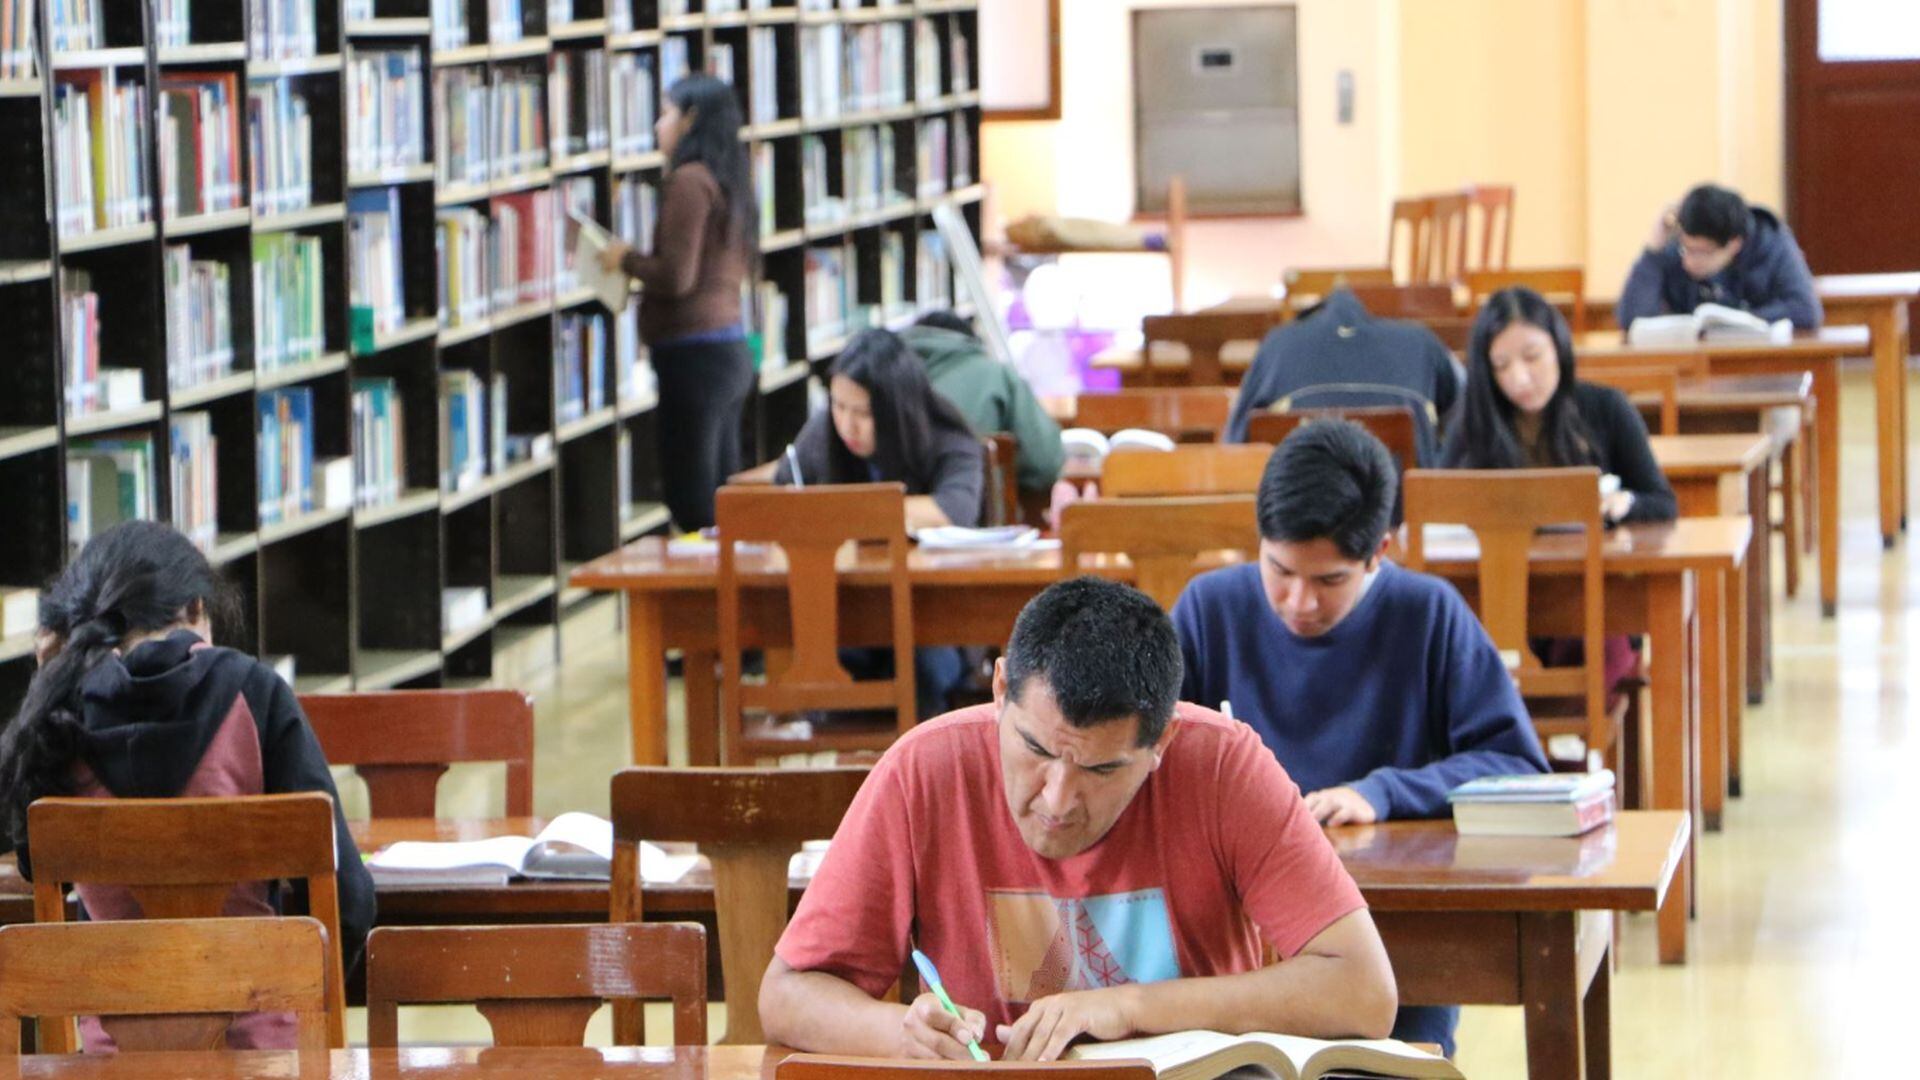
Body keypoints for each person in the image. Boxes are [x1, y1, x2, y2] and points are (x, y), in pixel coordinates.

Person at [760, 576, 1399, 1060]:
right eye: (1035, 750)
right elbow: (787, 994)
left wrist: (1128, 1006)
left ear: (1162, 743)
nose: (1057, 799)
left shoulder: (1224, 767)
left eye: (1100, 771)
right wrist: (898, 1034)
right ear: (1001, 689)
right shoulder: (925, 771)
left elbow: (1365, 990)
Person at [1171, 419, 1549, 1056]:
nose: (1299, 602)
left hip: (1394, 928)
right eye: (1280, 570)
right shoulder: (1209, 608)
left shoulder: (1429, 613)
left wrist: (1386, 791)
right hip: (1238, 935)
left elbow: (1517, 763)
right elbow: (1151, 756)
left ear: (1380, 551)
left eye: (1330, 580)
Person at [0, 521, 376, 1052]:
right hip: (264, 1057)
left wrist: (47, 679)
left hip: (113, 1061)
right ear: (197, 609)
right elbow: (350, 901)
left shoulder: (60, 714)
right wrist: (293, 993)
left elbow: (39, 869)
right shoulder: (257, 692)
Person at [598, 74, 757, 530]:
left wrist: (623, 259)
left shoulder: (689, 181)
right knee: (720, 498)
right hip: (727, 352)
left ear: (690, 121)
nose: (656, 125)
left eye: (666, 112)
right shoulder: (730, 180)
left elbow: (675, 277)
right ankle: (728, 592)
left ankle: (708, 598)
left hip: (694, 361)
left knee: (691, 503)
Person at [1442, 286, 1678, 526]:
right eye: (1501, 366)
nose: (1520, 379)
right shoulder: (1473, 417)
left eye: (1532, 357)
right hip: (1501, 561)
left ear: (1558, 347)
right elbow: (1437, 504)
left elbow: (1662, 502)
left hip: (1591, 559)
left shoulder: (1608, 406)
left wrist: (1626, 502)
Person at [775, 328, 986, 531]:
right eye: (838, 405)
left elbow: (955, 511)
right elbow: (781, 490)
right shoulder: (826, 427)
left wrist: (837, 512)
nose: (847, 426)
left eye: (864, 413)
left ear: (899, 410)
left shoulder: (949, 438)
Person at [1224, 286, 1460, 461]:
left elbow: (1234, 445)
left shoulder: (1277, 345)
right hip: (1402, 517)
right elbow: (1465, 423)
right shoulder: (1420, 342)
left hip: (1298, 519)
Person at [902, 310, 1066, 497]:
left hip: (893, 514)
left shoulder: (883, 376)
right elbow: (1044, 463)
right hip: (983, 512)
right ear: (970, 339)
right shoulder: (996, 374)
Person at [1617, 182, 1822, 330]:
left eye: (1702, 252)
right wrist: (1653, 251)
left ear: (1734, 244)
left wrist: (1734, 323)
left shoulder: (1770, 241)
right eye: (1686, 249)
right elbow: (1632, 320)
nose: (1689, 261)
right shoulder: (1674, 244)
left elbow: (1805, 310)